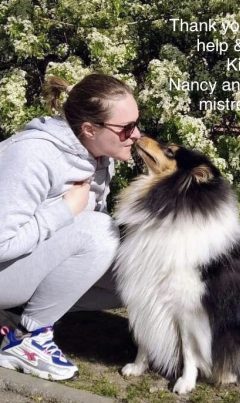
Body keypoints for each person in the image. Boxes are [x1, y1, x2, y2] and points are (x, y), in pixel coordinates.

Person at [0, 73, 141, 380]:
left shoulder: (100, 157)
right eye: (126, 128)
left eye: (136, 123)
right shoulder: (33, 154)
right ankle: (25, 339)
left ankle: (12, 317)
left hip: (17, 270)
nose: (137, 135)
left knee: (139, 278)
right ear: (90, 129)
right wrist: (63, 211)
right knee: (97, 232)